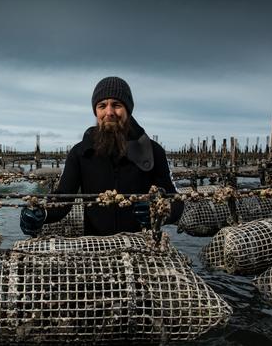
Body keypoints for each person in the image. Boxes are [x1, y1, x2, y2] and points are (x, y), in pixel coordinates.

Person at [20, 76, 183, 236]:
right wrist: (41, 213)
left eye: (117, 105)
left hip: (143, 243)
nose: (109, 112)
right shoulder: (80, 153)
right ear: (95, 111)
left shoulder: (153, 151)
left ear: (128, 109)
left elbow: (176, 200)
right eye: (102, 105)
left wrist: (161, 211)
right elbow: (62, 199)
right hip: (96, 246)